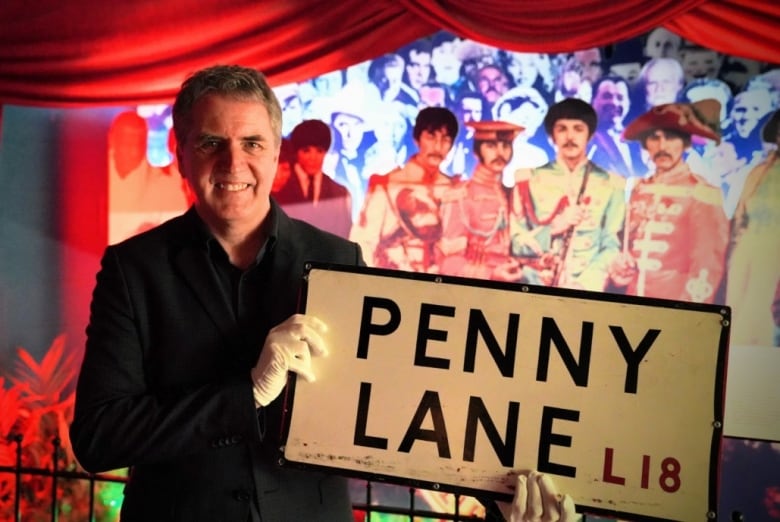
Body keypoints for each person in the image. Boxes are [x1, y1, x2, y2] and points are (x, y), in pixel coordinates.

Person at [71, 64, 368, 521]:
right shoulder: (132, 269)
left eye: (252, 143)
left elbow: (374, 413)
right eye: (212, 143)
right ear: (181, 155)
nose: (234, 163)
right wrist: (246, 394)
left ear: (274, 157)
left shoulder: (339, 259)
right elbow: (99, 437)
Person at [609, 99, 729, 303]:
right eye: (654, 138)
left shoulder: (702, 193)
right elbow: (623, 245)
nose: (662, 146)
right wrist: (619, 265)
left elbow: (707, 265)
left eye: (671, 137)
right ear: (646, 144)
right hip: (632, 300)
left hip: (675, 304)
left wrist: (687, 315)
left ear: (686, 143)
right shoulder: (637, 189)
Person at [510, 98, 626, 291]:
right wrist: (553, 228)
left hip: (587, 290)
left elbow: (611, 246)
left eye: (578, 129)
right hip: (537, 286)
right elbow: (515, 242)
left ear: (589, 135)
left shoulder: (611, 184)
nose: (570, 136)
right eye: (562, 129)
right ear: (552, 136)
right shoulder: (528, 180)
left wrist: (585, 285)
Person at [350, 107, 459, 272]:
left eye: (445, 139)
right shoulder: (386, 185)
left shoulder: (453, 188)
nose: (438, 146)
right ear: (417, 139)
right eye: (431, 137)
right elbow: (363, 242)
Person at [437, 120, 525, 281]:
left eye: (505, 146)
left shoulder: (513, 195)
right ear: (477, 152)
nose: (500, 153)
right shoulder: (460, 196)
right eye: (491, 146)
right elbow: (448, 263)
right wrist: (490, 275)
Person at [726, 109, 780, 347]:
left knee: (761, 314)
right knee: (735, 310)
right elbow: (740, 215)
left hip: (774, 255)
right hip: (747, 249)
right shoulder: (759, 171)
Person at [274, 119, 353, 238]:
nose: (313, 158)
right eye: (306, 151)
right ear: (296, 152)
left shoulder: (339, 193)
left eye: (319, 151)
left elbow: (344, 235)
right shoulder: (278, 185)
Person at [589, 75, 648, 179]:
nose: (614, 102)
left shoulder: (637, 140)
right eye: (607, 96)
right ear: (593, 101)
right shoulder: (586, 140)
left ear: (628, 103)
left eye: (620, 97)